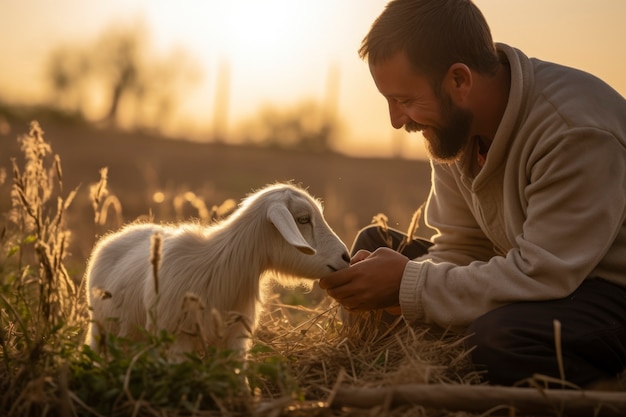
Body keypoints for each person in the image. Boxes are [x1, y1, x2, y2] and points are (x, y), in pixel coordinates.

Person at [319, 0, 626, 388]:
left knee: (499, 339)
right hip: (534, 274)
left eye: (404, 100)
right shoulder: (455, 128)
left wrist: (406, 286)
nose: (397, 121)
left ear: (459, 80)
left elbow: (544, 276)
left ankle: (610, 391)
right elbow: (463, 246)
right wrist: (405, 282)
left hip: (604, 291)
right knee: (374, 247)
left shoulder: (573, 130)